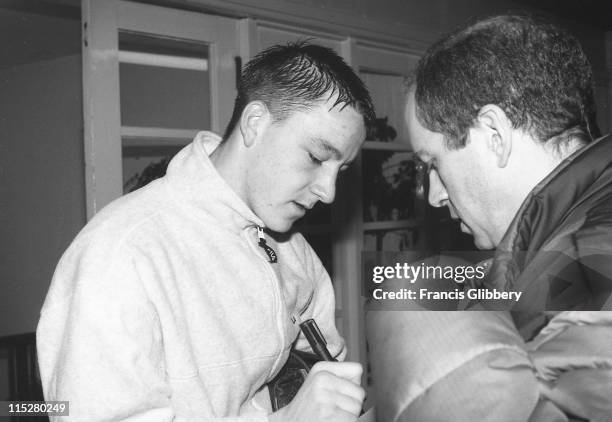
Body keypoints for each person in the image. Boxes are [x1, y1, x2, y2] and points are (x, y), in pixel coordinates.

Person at [37, 42, 375, 422]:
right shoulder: (121, 252)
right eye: (315, 157)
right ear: (255, 123)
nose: (328, 192)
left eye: (340, 170)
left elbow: (320, 365)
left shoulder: (292, 248)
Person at [366, 15, 612, 421]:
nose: (434, 196)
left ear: (494, 135)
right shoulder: (562, 244)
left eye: (433, 164)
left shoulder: (590, 265)